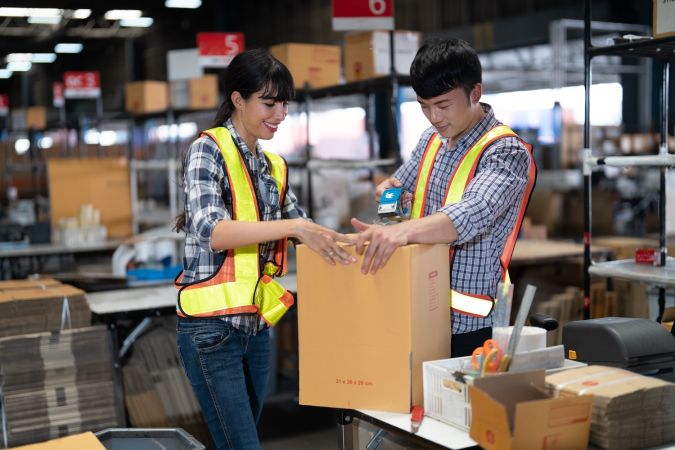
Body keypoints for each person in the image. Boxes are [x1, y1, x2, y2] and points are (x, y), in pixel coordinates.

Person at [173, 48, 356, 450]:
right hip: (211, 329)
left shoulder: (272, 164)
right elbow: (209, 228)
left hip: (256, 327)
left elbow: (304, 227)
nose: (279, 114)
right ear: (238, 99)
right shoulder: (208, 149)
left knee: (241, 441)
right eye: (269, 103)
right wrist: (294, 227)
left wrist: (361, 242)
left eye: (284, 104)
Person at [351, 38, 536, 357]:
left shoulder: (505, 151)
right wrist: (390, 197)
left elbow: (474, 211)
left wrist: (400, 231)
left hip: (468, 325)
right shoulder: (432, 140)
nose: (434, 116)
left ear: (475, 93)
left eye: (443, 104)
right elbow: (400, 181)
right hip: (417, 306)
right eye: (424, 105)